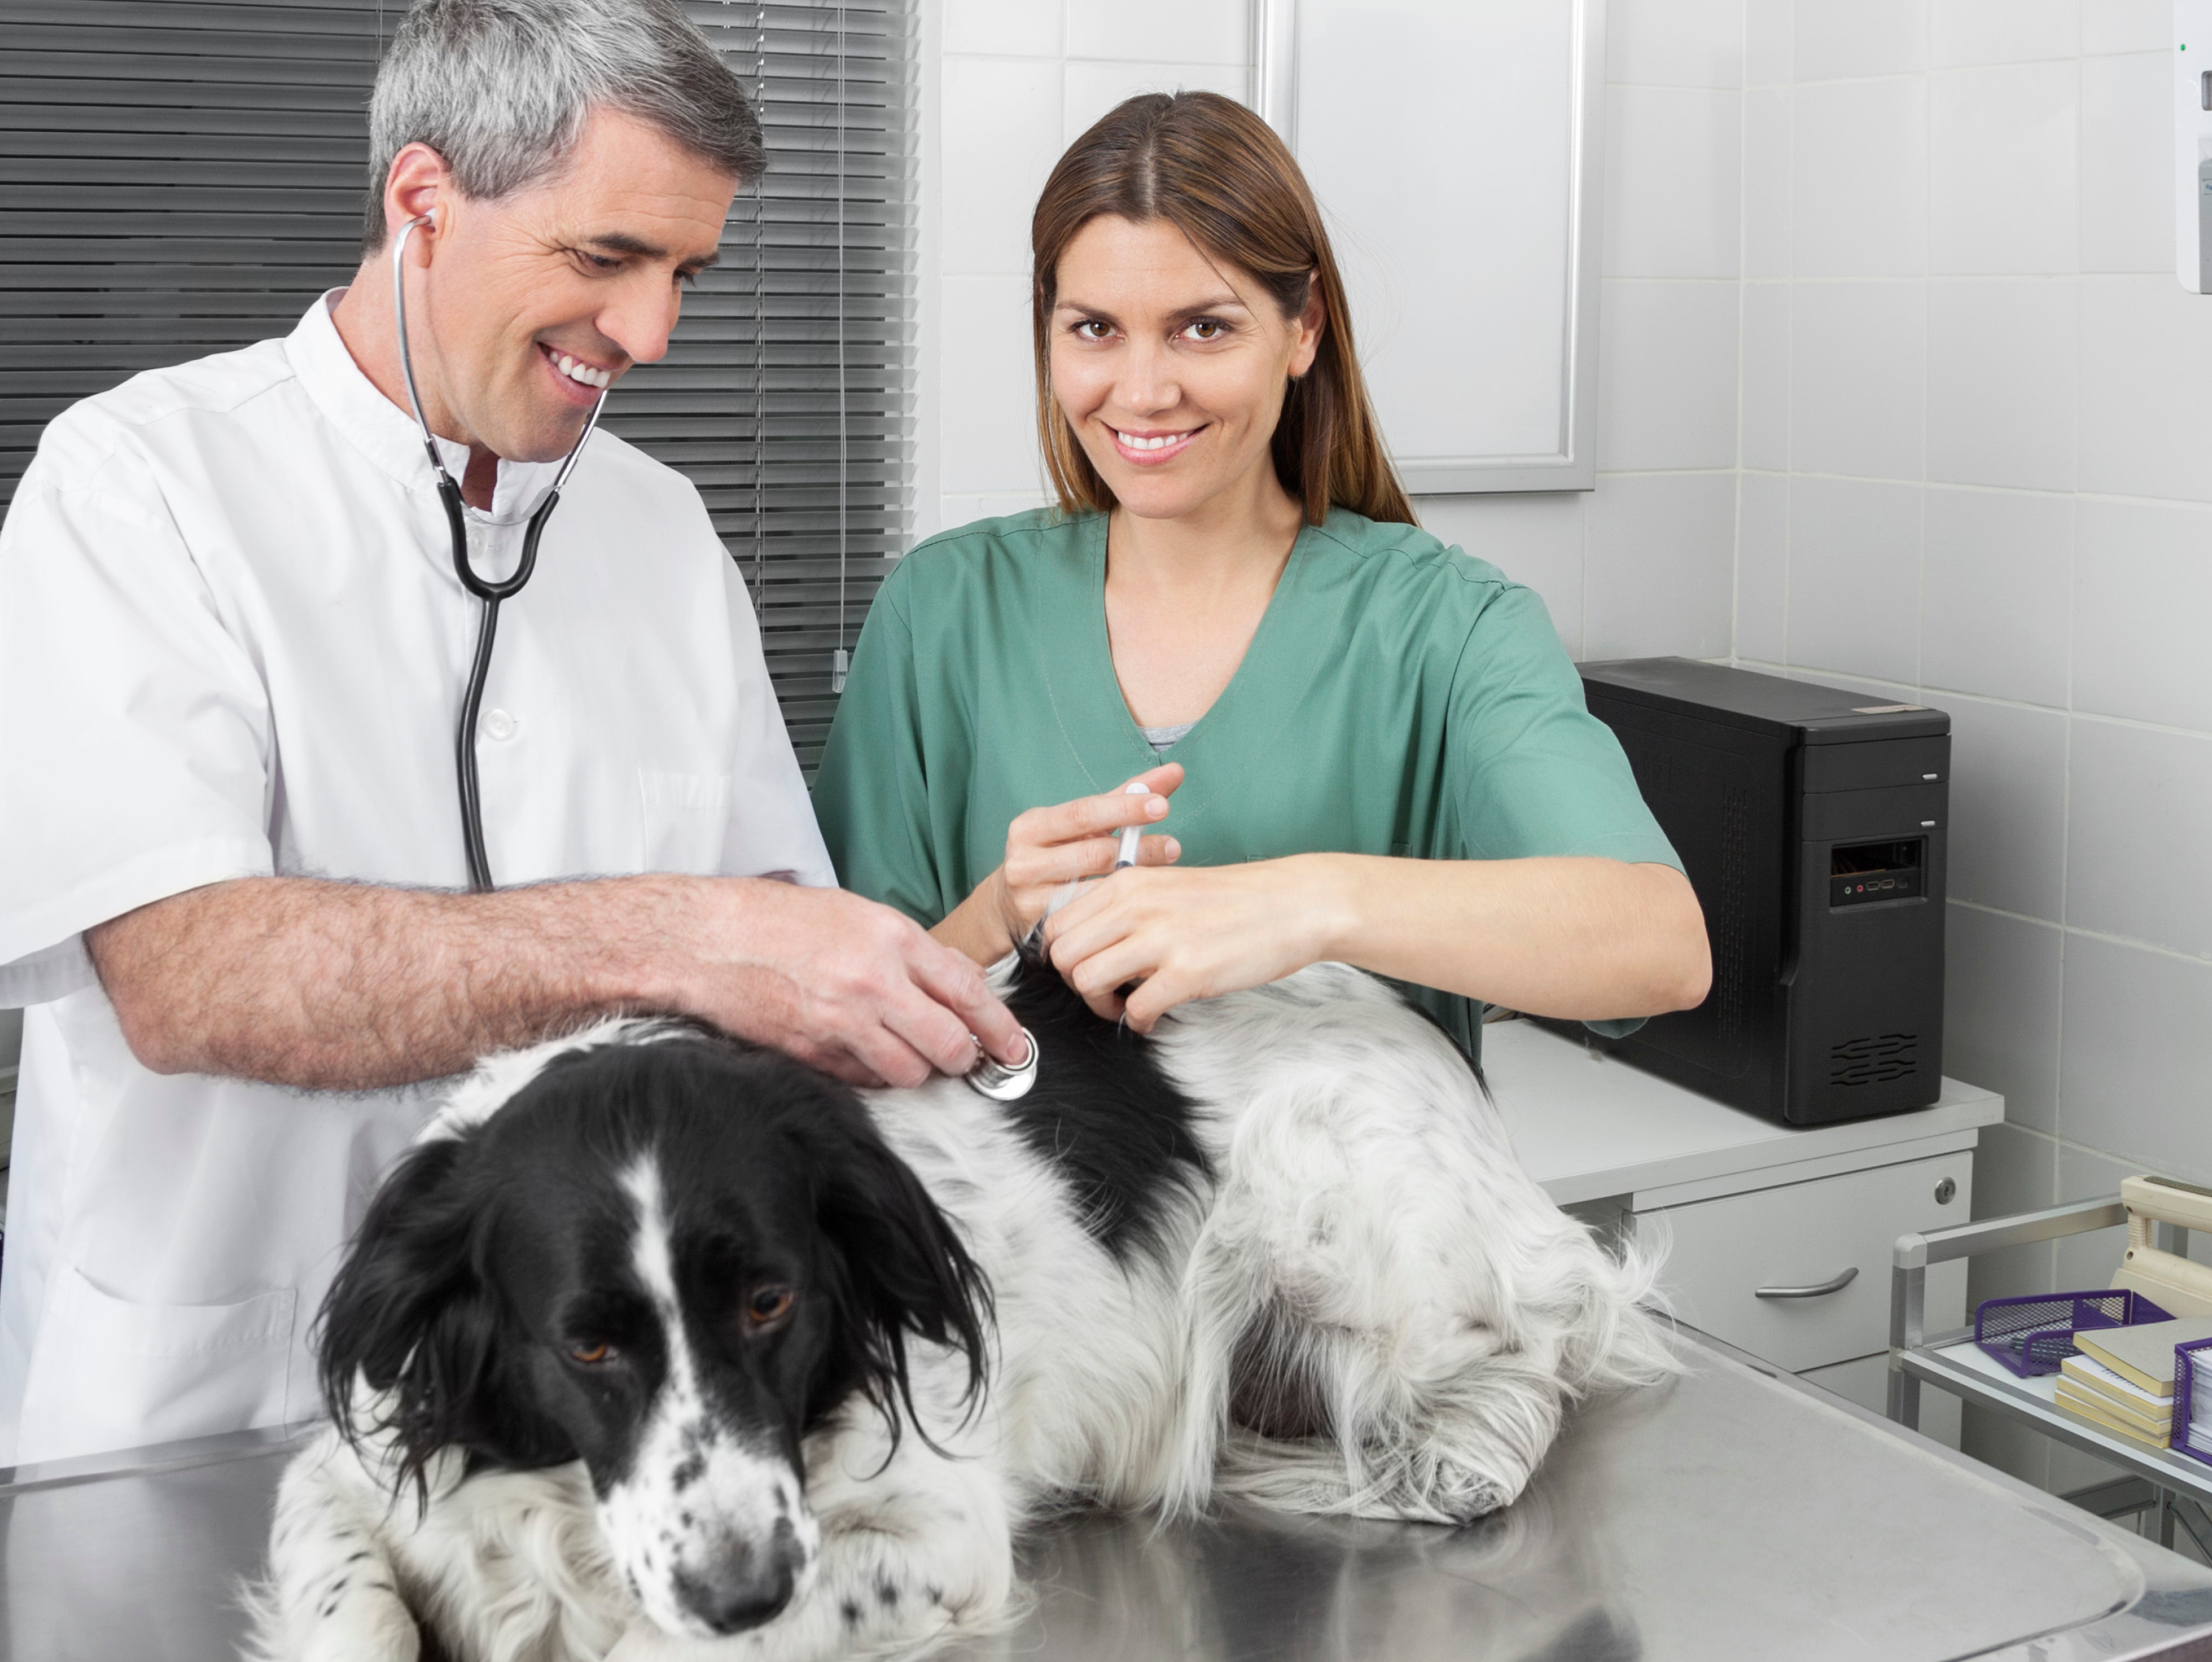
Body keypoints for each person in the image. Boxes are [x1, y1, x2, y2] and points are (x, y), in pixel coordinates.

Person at [0, 0, 1020, 1467]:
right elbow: (184, 974)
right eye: (607, 258)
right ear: (424, 202)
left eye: (684, 272)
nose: (653, 332)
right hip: (208, 1415)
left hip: (577, 1446)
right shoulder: (143, 485)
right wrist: (677, 938)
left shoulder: (663, 529)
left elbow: (771, 961)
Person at [813, 92, 1710, 1053]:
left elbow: (1659, 946)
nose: (1145, 392)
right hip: (1015, 1206)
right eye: (1094, 329)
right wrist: (996, 913)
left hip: (1350, 1206)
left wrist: (1307, 903)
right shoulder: (943, 611)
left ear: (1303, 329)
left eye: (1204, 328)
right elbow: (835, 1034)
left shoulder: (1450, 626)